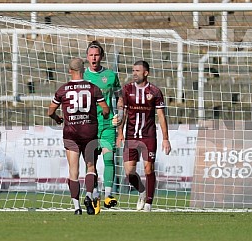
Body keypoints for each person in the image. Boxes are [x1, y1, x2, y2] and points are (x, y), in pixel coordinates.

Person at [48, 57, 110, 215]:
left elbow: (50, 111)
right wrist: (102, 115)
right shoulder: (93, 88)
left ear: (70, 71)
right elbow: (106, 109)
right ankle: (88, 195)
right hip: (89, 132)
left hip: (71, 133)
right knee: (91, 167)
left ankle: (76, 207)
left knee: (73, 171)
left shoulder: (63, 89)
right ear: (83, 71)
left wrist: (57, 119)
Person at [116, 60, 171, 212]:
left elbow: (161, 116)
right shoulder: (126, 89)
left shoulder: (154, 91)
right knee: (129, 172)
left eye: (137, 71)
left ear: (145, 73)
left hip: (148, 135)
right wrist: (120, 133)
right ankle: (141, 191)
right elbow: (123, 113)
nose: (134, 73)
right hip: (131, 135)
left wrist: (165, 138)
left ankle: (148, 204)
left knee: (148, 168)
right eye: (133, 70)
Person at [84, 40, 123, 214]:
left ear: (102, 56)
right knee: (91, 163)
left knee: (109, 158)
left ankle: (108, 196)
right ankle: (95, 196)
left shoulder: (111, 75)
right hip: (89, 125)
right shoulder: (82, 76)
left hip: (107, 124)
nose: (94, 58)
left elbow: (120, 97)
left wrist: (120, 114)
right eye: (91, 55)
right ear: (87, 57)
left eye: (96, 55)